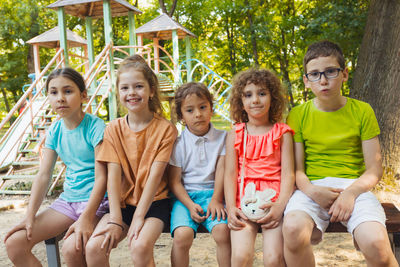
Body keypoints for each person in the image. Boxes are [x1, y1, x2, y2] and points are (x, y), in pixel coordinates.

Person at [282, 40, 398, 267]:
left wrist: (350, 193)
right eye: (314, 74)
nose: (323, 80)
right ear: (306, 81)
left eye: (330, 72)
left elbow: (374, 169)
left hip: (355, 188)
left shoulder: (362, 111)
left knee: (376, 245)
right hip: (312, 189)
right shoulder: (298, 114)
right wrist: (312, 191)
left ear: (344, 74)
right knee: (293, 230)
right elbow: (297, 170)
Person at [4, 67, 108, 267]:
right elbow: (43, 176)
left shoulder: (95, 127)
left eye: (68, 91)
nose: (60, 98)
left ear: (83, 95)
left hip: (97, 202)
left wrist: (86, 218)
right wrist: (29, 216)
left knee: (74, 247)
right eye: (53, 92)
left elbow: (102, 178)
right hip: (68, 202)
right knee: (14, 243)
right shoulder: (54, 131)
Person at [84, 55, 177, 267]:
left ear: (151, 90)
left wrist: (138, 218)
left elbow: (154, 178)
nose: (132, 93)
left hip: (154, 202)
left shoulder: (165, 129)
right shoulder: (113, 129)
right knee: (94, 248)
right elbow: (113, 176)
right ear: (119, 92)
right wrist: (116, 217)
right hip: (122, 204)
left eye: (138, 86)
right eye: (125, 88)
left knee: (139, 245)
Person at [224, 68, 295, 267]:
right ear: (241, 102)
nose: (255, 100)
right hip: (242, 202)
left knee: (274, 259)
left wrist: (280, 206)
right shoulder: (236, 133)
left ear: (273, 98)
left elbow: (288, 174)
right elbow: (230, 174)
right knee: (240, 258)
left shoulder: (283, 133)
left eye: (262, 93)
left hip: (274, 203)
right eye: (248, 95)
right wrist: (230, 207)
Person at [168, 82, 231, 267]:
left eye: (203, 107)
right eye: (190, 110)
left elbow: (222, 171)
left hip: (215, 194)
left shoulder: (224, 138)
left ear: (211, 108)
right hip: (185, 197)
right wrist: (189, 204)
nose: (198, 114)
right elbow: (174, 182)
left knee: (222, 232)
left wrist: (217, 200)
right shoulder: (178, 144)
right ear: (181, 116)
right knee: (182, 236)